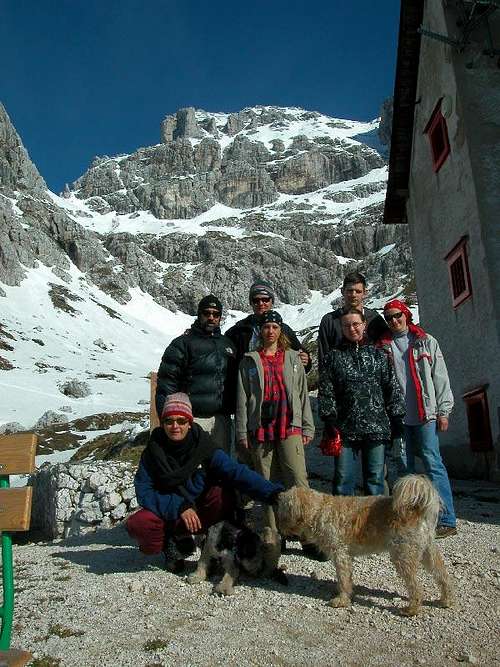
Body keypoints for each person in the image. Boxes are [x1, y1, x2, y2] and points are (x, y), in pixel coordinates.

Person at [127, 393, 283, 572]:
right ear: (162, 423)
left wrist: (271, 492)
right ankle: (173, 544)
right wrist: (179, 506)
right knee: (139, 523)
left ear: (190, 422)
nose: (175, 426)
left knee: (221, 493)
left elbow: (236, 472)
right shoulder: (152, 452)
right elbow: (144, 490)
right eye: (169, 421)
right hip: (171, 511)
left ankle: (214, 542)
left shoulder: (204, 446)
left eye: (181, 421)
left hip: (200, 510)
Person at [235, 310, 320, 557]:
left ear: (280, 330)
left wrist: (308, 425)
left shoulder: (293, 358)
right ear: (260, 331)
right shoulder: (249, 360)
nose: (270, 331)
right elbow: (242, 400)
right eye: (266, 327)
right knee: (267, 485)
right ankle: (273, 535)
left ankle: (307, 535)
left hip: (289, 426)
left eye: (274, 327)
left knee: (298, 481)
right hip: (260, 429)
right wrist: (242, 430)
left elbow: (303, 395)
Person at [378, 299, 457, 538]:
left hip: (426, 415)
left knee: (433, 465)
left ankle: (446, 519)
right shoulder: (383, 347)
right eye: (389, 317)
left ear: (406, 314)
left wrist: (444, 411)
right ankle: (409, 519)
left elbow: (440, 378)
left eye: (397, 315)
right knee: (403, 468)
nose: (393, 320)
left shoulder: (426, 341)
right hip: (398, 418)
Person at [318, 308, 405, 496]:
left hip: (376, 427)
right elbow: (326, 392)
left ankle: (375, 524)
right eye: (347, 325)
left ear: (364, 325)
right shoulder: (332, 357)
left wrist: (397, 417)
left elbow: (391, 387)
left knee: (375, 480)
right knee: (343, 480)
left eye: (356, 324)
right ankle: (343, 524)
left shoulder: (379, 355)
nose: (352, 329)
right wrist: (329, 419)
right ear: (341, 328)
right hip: (344, 429)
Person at [155, 295, 236, 452]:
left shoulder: (227, 344)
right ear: (199, 314)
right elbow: (166, 387)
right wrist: (166, 422)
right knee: (192, 469)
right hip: (192, 419)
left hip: (222, 421)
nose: (211, 317)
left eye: (216, 314)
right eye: (207, 313)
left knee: (220, 469)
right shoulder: (182, 344)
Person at [226, 281, 311, 372]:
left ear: (272, 301)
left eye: (265, 299)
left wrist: (306, 361)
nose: (261, 303)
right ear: (251, 303)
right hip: (249, 382)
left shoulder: (284, 329)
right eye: (256, 300)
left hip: (278, 383)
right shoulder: (239, 330)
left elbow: (301, 356)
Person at [318, 271, 388, 366]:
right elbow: (323, 357)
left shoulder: (375, 319)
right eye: (350, 291)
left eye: (358, 291)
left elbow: (386, 349)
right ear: (342, 291)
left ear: (365, 293)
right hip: (339, 379)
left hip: (372, 378)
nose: (354, 295)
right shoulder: (329, 320)